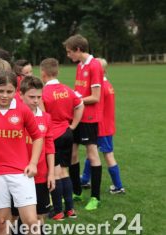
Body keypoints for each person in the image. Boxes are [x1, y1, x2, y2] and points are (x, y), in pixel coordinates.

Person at [0, 71, 43, 235]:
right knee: (2, 223)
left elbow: (38, 137)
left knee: (31, 222)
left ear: (16, 91)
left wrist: (33, 163)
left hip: (21, 173)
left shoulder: (23, 110)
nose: (4, 95)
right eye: (1, 91)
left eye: (9, 91)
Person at [63, 34, 104, 211]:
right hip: (77, 115)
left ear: (78, 50)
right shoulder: (80, 65)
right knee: (72, 153)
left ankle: (95, 197)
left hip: (89, 118)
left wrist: (75, 99)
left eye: (69, 51)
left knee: (92, 154)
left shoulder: (95, 66)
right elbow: (79, 91)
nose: (68, 55)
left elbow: (95, 97)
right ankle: (77, 192)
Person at [40, 58, 84, 220]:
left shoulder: (44, 92)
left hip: (54, 135)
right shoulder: (67, 89)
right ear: (57, 72)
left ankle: (58, 211)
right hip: (67, 132)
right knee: (65, 171)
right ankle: (70, 209)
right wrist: (73, 125)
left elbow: (43, 116)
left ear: (43, 73)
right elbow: (80, 105)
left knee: (56, 173)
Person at [81, 58, 125, 194]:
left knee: (108, 155)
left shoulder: (101, 88)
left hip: (101, 127)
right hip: (107, 126)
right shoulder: (108, 85)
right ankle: (85, 180)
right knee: (91, 152)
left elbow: (95, 105)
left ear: (102, 71)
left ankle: (118, 186)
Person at [19, 76, 55, 233]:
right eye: (31, 97)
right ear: (21, 95)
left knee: (40, 216)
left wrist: (51, 173)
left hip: (40, 175)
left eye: (39, 97)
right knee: (16, 217)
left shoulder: (46, 118)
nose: (35, 101)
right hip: (18, 174)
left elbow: (49, 147)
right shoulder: (15, 117)